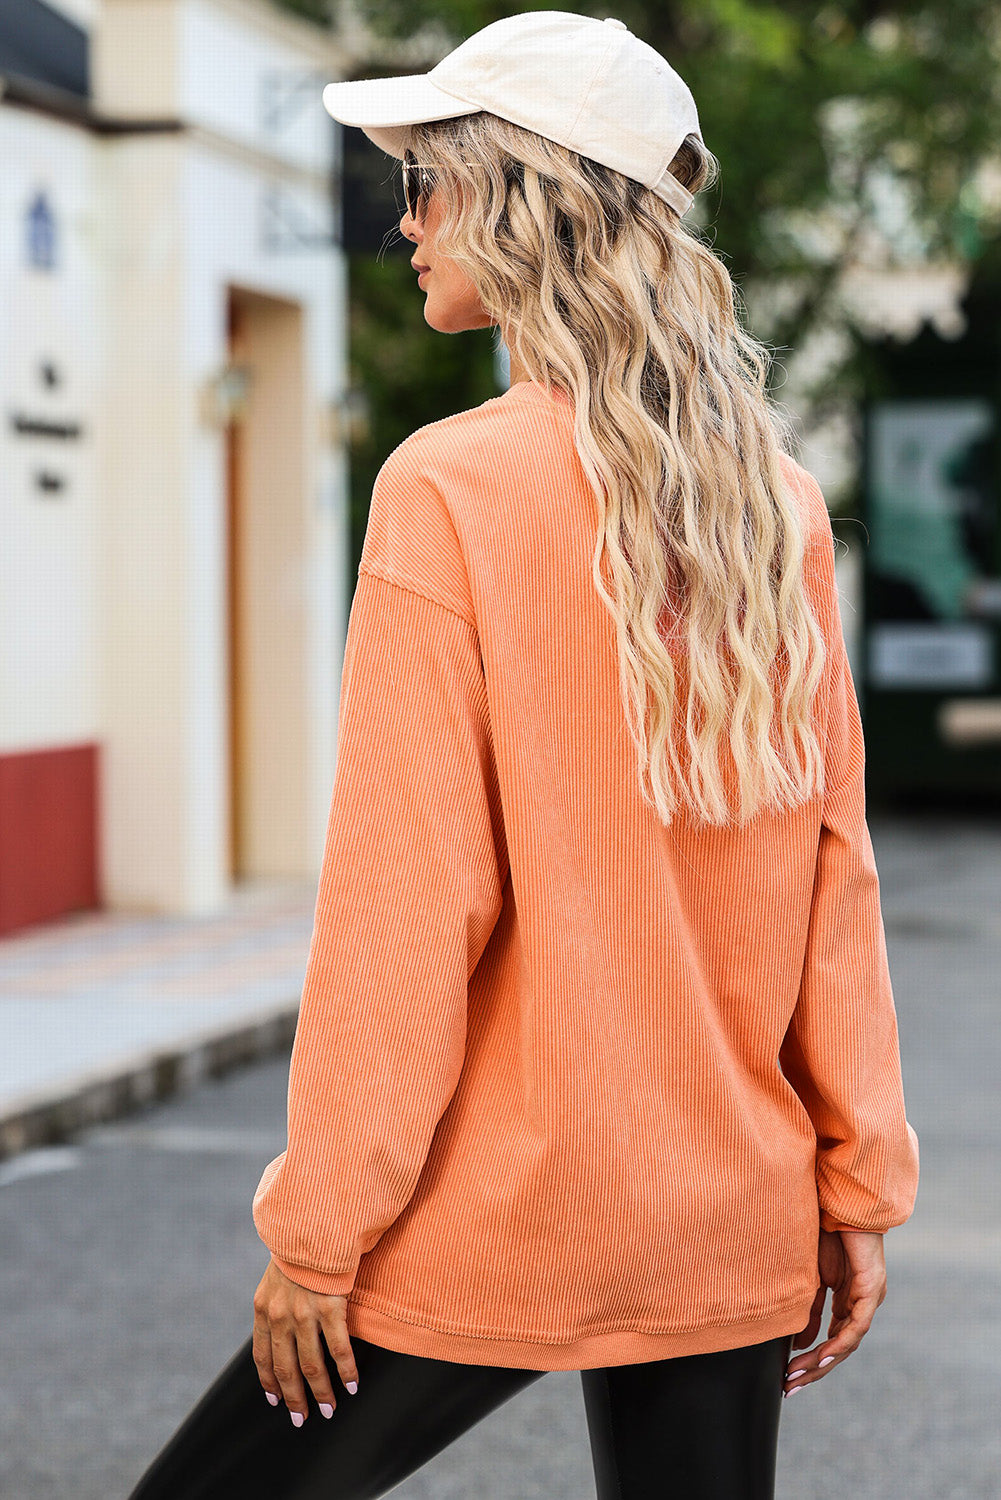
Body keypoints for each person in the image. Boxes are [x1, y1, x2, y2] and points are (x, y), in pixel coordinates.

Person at [125, 11, 919, 1499]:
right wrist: (856, 1183)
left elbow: (408, 903)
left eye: (428, 182)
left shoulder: (450, 489)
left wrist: (318, 1233)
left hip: (506, 1202)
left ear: (519, 196)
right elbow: (835, 882)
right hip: (729, 1209)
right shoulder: (777, 509)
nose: (405, 225)